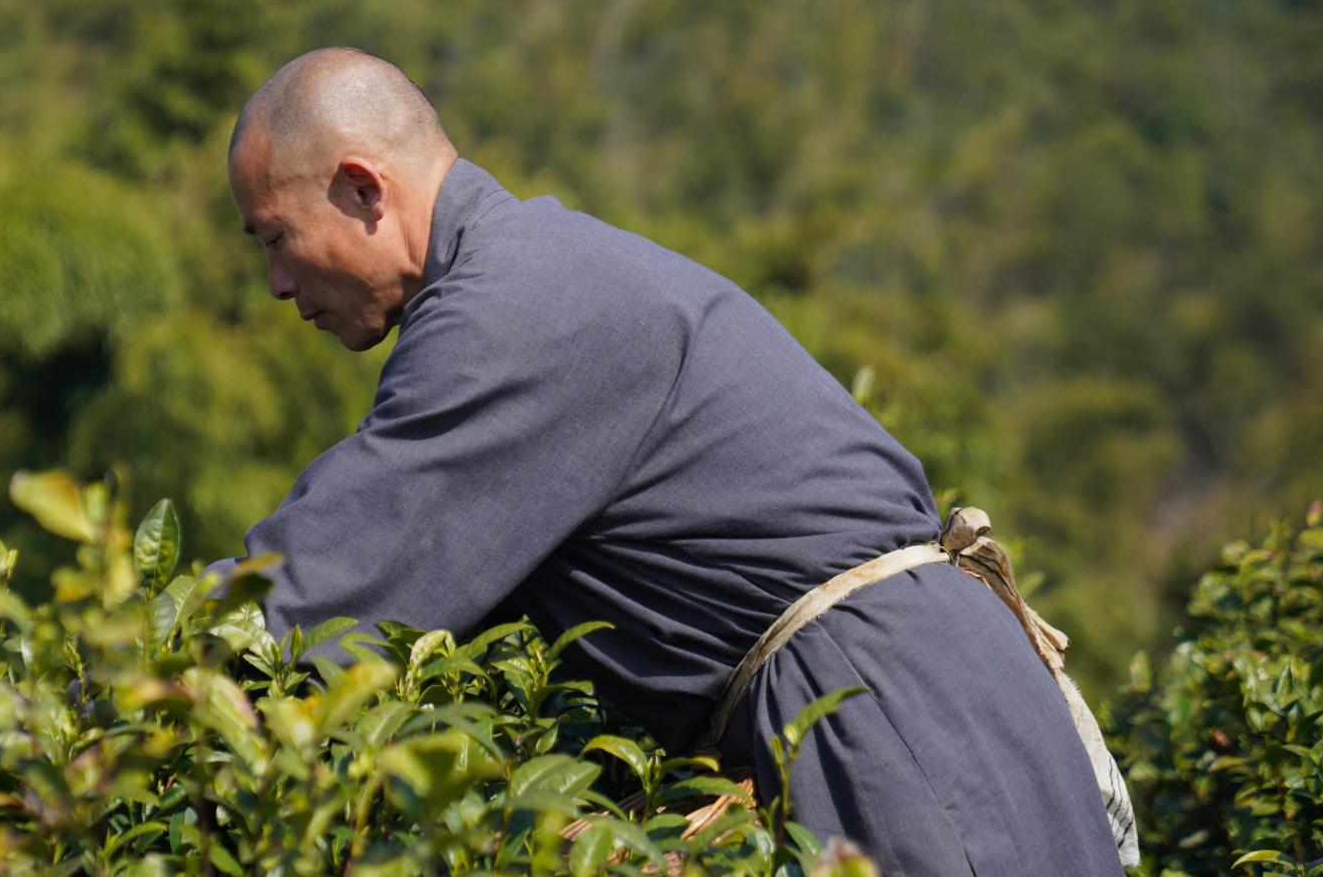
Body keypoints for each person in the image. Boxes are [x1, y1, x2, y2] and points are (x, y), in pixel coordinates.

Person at [208, 47, 1129, 877]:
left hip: (902, 724)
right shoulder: (534, 271)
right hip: (944, 709)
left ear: (364, 189)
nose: (279, 285)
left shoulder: (514, 310)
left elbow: (324, 580)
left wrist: (116, 689)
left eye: (276, 240)